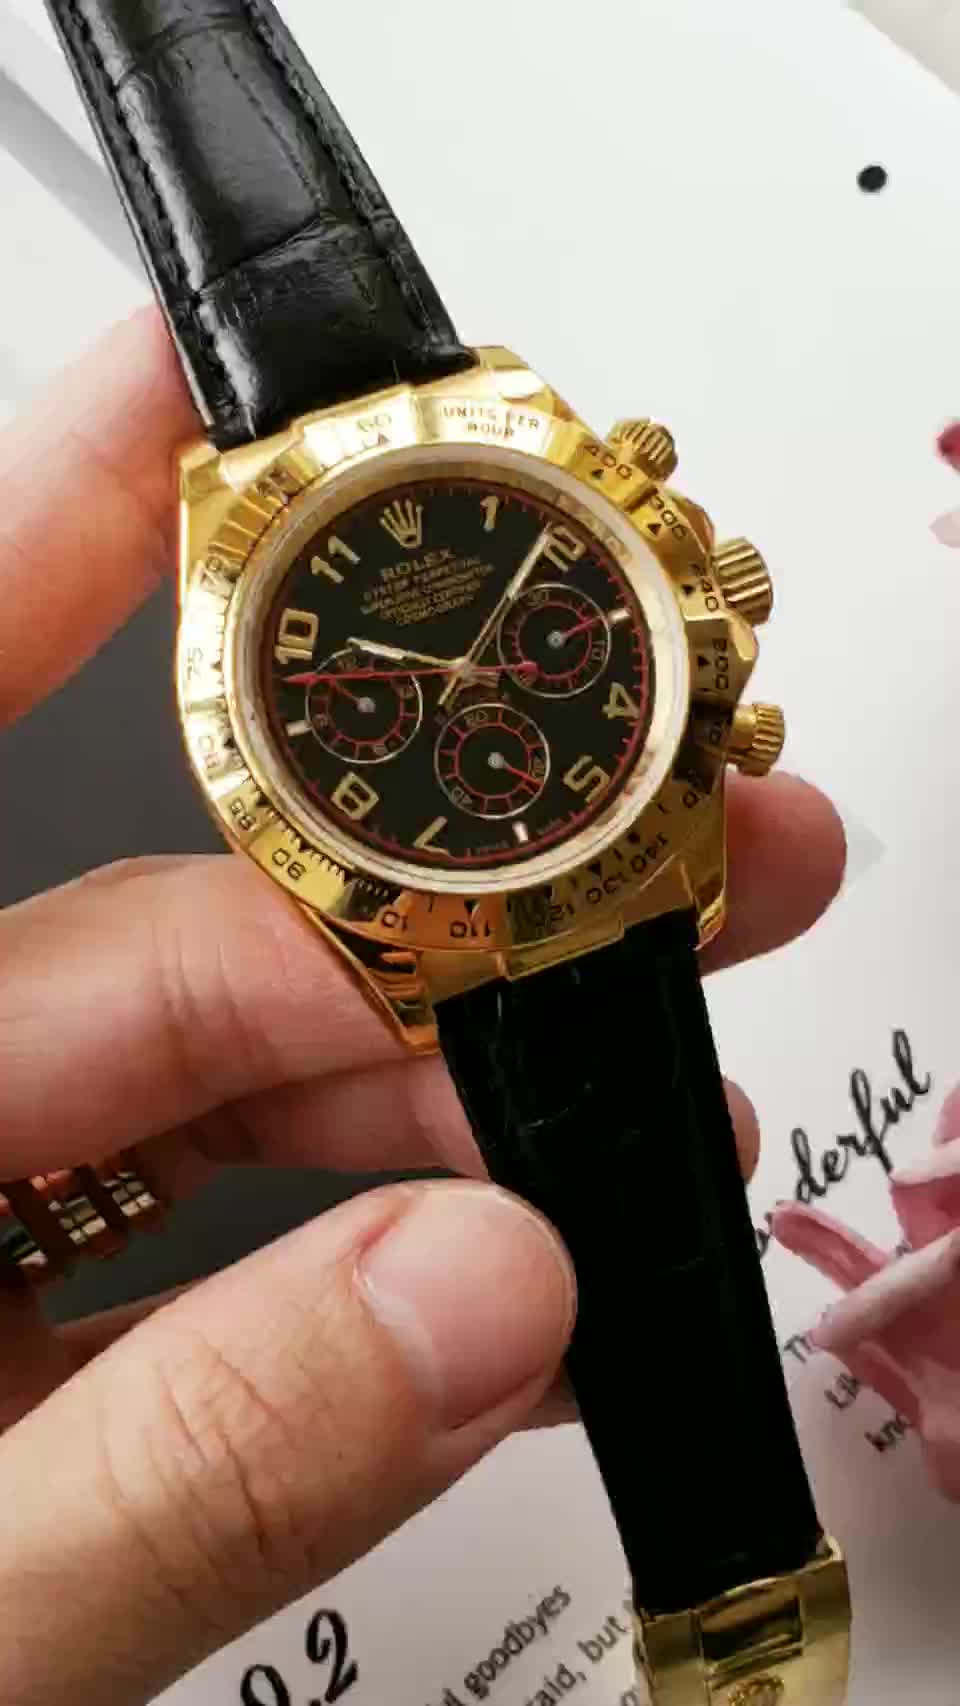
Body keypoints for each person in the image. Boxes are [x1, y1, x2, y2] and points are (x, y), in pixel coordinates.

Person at [0, 309, 847, 1706]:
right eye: (397, 689)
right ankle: (735, 1610)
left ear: (689, 595)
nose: (458, 679)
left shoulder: (506, 438)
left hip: (614, 842)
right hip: (486, 901)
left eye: (519, 641)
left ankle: (742, 1611)